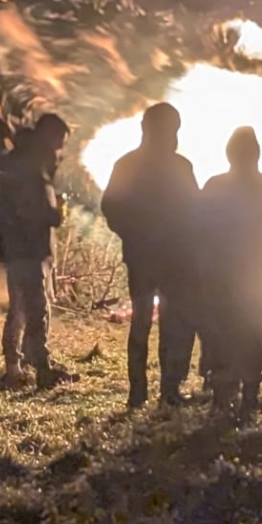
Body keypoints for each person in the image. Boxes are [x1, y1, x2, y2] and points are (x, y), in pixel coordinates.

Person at [100, 102, 200, 408]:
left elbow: (111, 208)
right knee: (168, 324)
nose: (173, 137)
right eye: (172, 130)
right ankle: (164, 390)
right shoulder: (179, 167)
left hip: (147, 257)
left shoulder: (128, 164)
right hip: (168, 258)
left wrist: (132, 234)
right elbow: (195, 210)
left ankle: (143, 391)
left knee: (146, 323)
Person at [195, 127, 262, 419]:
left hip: (221, 274)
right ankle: (248, 393)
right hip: (254, 273)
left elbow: (197, 226)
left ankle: (223, 393)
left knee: (220, 330)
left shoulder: (215, 186)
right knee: (250, 330)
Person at [0, 113, 78, 390]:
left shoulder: (21, 163)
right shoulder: (32, 172)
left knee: (20, 309)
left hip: (17, 248)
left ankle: (18, 365)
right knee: (35, 309)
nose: (60, 150)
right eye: (59, 143)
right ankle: (41, 369)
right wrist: (60, 208)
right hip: (28, 249)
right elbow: (45, 215)